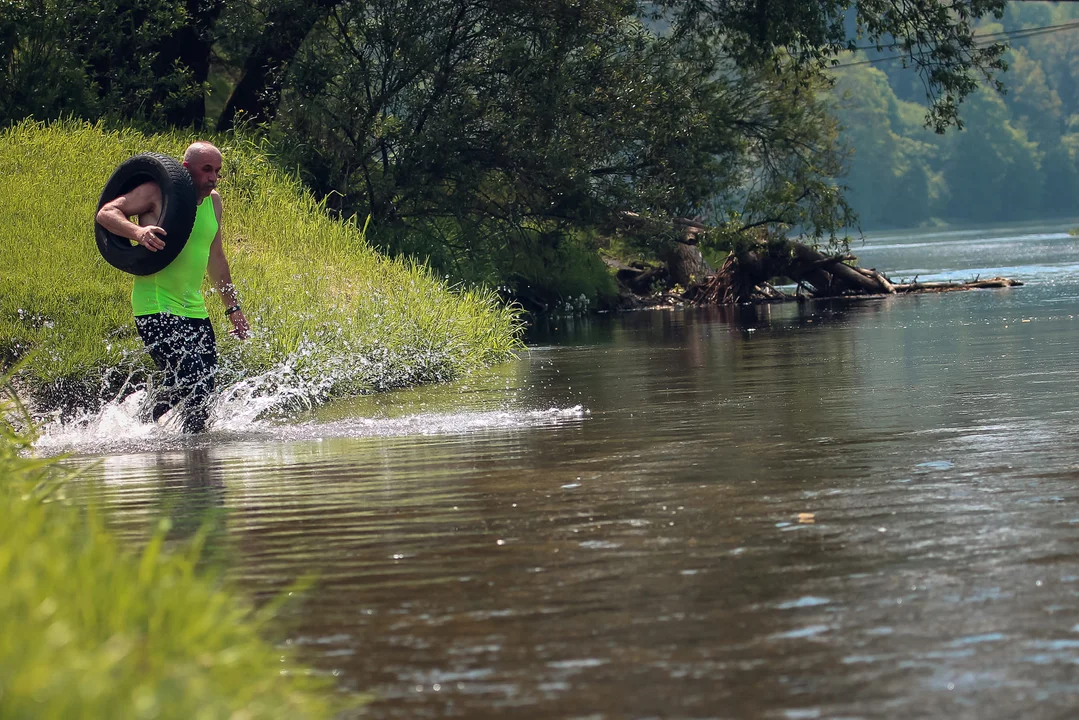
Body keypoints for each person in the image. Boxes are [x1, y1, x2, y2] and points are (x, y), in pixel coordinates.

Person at [95, 142, 248, 432]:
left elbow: (216, 258)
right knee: (188, 376)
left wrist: (233, 307)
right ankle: (133, 426)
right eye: (206, 170)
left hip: (194, 309)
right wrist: (138, 232)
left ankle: (195, 454)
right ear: (186, 169)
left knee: (204, 387)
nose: (213, 177)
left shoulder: (214, 202)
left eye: (217, 171)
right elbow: (107, 213)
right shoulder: (157, 192)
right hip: (155, 304)